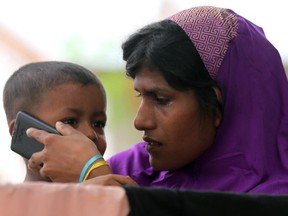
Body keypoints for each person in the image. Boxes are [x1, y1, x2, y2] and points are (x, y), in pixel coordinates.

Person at [26, 6, 288, 193]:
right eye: (141, 96)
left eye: (161, 99)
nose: (140, 121)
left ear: (219, 105)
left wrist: (101, 187)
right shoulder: (130, 168)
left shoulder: (272, 196)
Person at [3, 61, 136, 185]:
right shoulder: (7, 204)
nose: (90, 134)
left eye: (98, 124)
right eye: (70, 121)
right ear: (20, 131)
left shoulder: (117, 189)